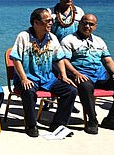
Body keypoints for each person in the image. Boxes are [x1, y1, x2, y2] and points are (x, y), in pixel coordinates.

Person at [61, 13, 114, 134]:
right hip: (81, 75)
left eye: (91, 24)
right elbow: (64, 61)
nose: (87, 26)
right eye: (85, 23)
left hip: (101, 76)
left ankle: (112, 119)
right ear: (79, 24)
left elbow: (107, 60)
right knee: (86, 86)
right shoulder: (69, 40)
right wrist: (76, 73)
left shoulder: (99, 41)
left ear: (95, 27)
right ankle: (92, 120)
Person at [9, 8, 78, 138]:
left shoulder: (52, 37)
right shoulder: (23, 36)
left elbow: (59, 58)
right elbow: (16, 59)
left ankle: (58, 124)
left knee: (70, 90)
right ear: (36, 22)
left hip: (48, 79)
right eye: (47, 21)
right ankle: (31, 125)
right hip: (28, 78)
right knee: (28, 91)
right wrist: (23, 78)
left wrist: (63, 76)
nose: (51, 23)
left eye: (51, 21)